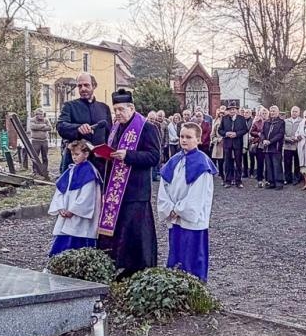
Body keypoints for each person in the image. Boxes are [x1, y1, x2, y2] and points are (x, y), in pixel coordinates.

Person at [92, 89, 161, 276]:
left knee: (136, 232)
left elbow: (155, 157)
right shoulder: (116, 128)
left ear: (132, 108)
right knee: (119, 231)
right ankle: (119, 264)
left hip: (136, 190)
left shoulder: (147, 127)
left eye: (121, 109)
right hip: (116, 189)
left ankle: (139, 267)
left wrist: (128, 155)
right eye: (115, 110)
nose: (118, 114)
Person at [160, 121, 215, 282]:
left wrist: (178, 210)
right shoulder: (174, 160)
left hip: (190, 218)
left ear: (198, 139)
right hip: (175, 216)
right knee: (176, 252)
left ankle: (193, 285)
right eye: (182, 136)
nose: (184, 140)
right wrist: (168, 207)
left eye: (189, 137)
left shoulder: (202, 164)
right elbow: (165, 186)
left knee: (192, 254)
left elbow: (198, 194)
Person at [48, 139, 100, 254]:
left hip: (79, 215)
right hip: (66, 210)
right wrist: (60, 207)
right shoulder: (70, 170)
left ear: (86, 154)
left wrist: (73, 210)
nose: (74, 157)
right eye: (72, 154)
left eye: (77, 154)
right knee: (62, 240)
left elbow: (87, 195)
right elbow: (60, 190)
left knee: (78, 238)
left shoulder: (90, 171)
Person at [57, 73, 110, 177]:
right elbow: (60, 126)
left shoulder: (104, 108)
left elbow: (110, 134)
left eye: (86, 85)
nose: (83, 89)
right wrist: (77, 128)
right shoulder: (69, 106)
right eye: (80, 86)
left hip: (99, 163)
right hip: (76, 161)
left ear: (94, 86)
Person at [217, 104, 250, 188]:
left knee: (238, 162)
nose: (232, 111)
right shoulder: (224, 118)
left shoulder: (241, 119)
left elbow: (245, 130)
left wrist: (236, 134)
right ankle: (228, 180)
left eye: (234, 109)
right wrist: (226, 133)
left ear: (236, 110)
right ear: (228, 110)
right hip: (227, 143)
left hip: (238, 143)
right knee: (227, 162)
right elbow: (220, 130)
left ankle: (238, 181)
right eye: (230, 109)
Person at [262, 103, 286, 188]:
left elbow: (280, 134)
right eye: (271, 111)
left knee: (277, 165)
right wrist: (263, 139)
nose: (272, 112)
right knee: (268, 165)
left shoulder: (281, 122)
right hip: (266, 148)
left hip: (276, 147)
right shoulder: (266, 122)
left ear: (278, 112)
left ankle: (279, 183)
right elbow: (262, 133)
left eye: (274, 111)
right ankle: (271, 182)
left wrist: (270, 141)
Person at [28, 107, 52, 177]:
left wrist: (38, 127)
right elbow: (32, 127)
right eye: (39, 114)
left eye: (42, 114)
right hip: (36, 141)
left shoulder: (46, 119)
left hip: (44, 141)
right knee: (35, 156)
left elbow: (50, 128)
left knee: (45, 157)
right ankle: (35, 171)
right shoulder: (32, 120)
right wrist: (43, 126)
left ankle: (44, 170)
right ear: (36, 114)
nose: (41, 116)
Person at [283, 105, 303, 185]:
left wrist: (296, 138)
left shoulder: (302, 121)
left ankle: (296, 178)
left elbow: (303, 133)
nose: (294, 113)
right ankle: (287, 179)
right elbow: (282, 133)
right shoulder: (285, 121)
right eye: (293, 111)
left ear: (299, 112)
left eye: (296, 111)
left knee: (297, 163)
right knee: (287, 163)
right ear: (290, 112)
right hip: (287, 145)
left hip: (297, 145)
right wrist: (287, 138)